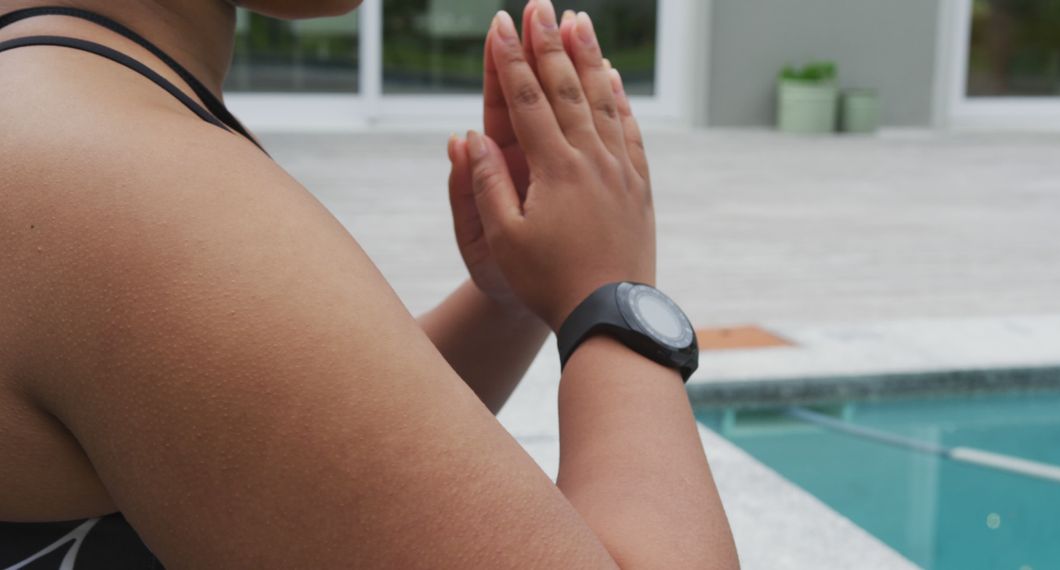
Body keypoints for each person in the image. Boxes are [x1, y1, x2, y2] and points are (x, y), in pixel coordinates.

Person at [0, 0, 739, 567]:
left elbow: (290, 461)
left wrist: (510, 297)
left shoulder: (58, 104)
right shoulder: (135, 186)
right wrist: (610, 297)